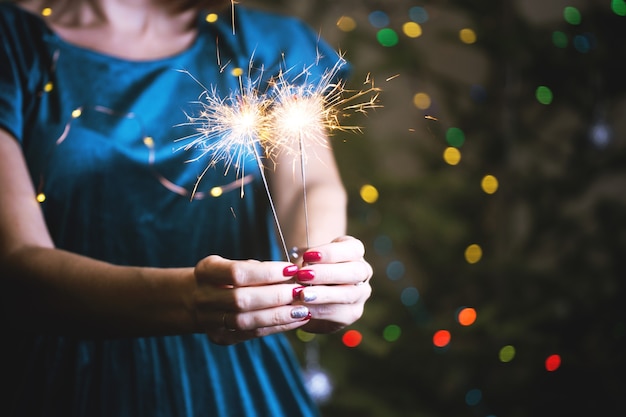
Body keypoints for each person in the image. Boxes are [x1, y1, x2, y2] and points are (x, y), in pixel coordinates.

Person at [0, 0, 373, 415]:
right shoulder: (13, 42)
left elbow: (309, 182)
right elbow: (14, 261)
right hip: (57, 379)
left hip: (239, 383)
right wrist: (192, 300)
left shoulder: (266, 45)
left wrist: (323, 269)